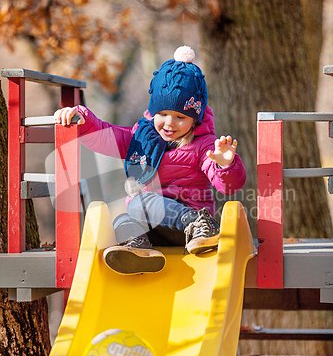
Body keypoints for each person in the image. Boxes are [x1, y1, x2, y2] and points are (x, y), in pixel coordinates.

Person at [54, 46, 246, 275]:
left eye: (180, 117)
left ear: (195, 119)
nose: (169, 123)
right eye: (162, 114)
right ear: (152, 112)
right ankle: (140, 250)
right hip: (154, 227)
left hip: (191, 232)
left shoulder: (203, 144)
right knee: (122, 220)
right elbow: (106, 136)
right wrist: (82, 120)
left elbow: (229, 186)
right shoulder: (141, 137)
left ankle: (199, 222)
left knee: (138, 203)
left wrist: (225, 165)